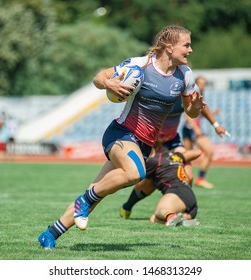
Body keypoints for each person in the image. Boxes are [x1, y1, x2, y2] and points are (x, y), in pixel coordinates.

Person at [38, 25, 206, 249]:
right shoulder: (141, 65)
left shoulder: (184, 75)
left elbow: (191, 111)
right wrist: (108, 83)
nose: (190, 50)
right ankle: (84, 201)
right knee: (135, 173)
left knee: (98, 192)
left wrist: (195, 107)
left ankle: (50, 234)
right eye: (186, 45)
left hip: (143, 145)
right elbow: (99, 77)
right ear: (169, 47)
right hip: (121, 134)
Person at [123, 141, 202, 226]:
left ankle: (171, 216)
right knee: (153, 219)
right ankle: (184, 220)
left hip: (176, 192)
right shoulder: (174, 156)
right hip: (189, 198)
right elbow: (198, 152)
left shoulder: (153, 161)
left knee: (160, 211)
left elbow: (140, 187)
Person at [182, 76, 227, 189]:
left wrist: (212, 113)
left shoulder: (201, 96)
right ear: (195, 83)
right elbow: (187, 112)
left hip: (192, 129)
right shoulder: (191, 94)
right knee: (189, 156)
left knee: (207, 152)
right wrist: (195, 127)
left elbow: (200, 112)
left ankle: (199, 179)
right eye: (199, 83)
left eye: (204, 83)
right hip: (190, 129)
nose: (202, 85)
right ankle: (187, 178)